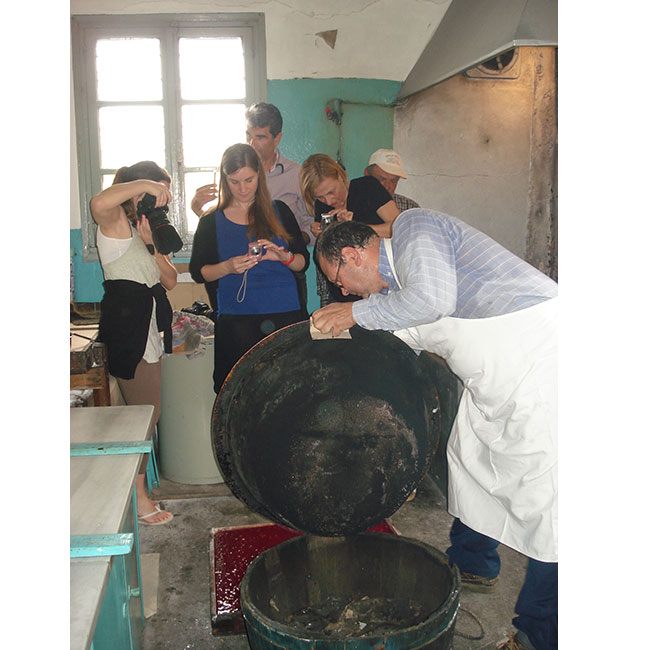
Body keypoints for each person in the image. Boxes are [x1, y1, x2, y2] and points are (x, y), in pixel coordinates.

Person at [311, 215, 557, 650]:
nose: (343, 291)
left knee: (551, 509)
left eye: (338, 279)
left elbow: (434, 299)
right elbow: (385, 352)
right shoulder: (395, 297)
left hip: (546, 366)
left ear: (351, 256)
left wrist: (353, 313)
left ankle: (538, 635)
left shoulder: (415, 228)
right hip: (495, 382)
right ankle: (473, 563)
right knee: (470, 457)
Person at [89, 161, 178, 526]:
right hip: (130, 331)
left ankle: (138, 492)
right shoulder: (114, 223)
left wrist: (152, 245)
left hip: (148, 330)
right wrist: (144, 183)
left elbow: (170, 280)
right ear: (137, 188)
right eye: (156, 192)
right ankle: (139, 500)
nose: (159, 200)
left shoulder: (145, 229)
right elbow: (98, 202)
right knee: (144, 416)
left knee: (149, 415)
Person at [188, 144, 309, 394]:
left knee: (288, 391)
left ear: (259, 177)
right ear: (224, 180)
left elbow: (302, 262)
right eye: (234, 182)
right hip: (237, 321)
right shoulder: (211, 221)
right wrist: (228, 267)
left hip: (285, 314)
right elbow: (199, 272)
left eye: (248, 180)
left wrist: (283, 257)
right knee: (238, 394)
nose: (242, 189)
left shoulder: (280, 211)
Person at [299, 153, 400, 306]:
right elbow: (330, 256)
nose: (328, 201)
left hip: (380, 287)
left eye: (331, 192)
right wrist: (323, 238)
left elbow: (398, 228)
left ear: (340, 177)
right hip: (343, 293)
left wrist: (355, 227)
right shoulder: (322, 206)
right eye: (320, 197)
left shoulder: (366, 187)